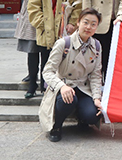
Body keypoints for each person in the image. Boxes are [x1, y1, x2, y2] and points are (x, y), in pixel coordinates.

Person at [40, 8, 103, 142]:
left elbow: (95, 75)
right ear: (78, 22)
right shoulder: (64, 43)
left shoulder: (96, 46)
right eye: (85, 22)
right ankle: (56, 126)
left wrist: (97, 97)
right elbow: (47, 71)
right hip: (64, 85)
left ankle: (82, 119)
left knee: (93, 115)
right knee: (68, 100)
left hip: (83, 87)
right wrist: (61, 86)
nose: (89, 27)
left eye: (93, 24)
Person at [28, 0, 83, 94]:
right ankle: (46, 93)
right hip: (45, 29)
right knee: (47, 62)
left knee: (65, 61)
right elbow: (33, 6)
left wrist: (72, 23)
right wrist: (43, 24)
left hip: (65, 29)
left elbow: (79, 2)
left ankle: (63, 92)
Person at [15, 0, 52, 98]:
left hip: (49, 12)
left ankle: (45, 84)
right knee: (32, 51)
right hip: (31, 11)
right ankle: (32, 84)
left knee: (46, 51)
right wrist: (36, 0)